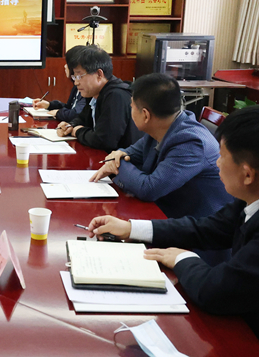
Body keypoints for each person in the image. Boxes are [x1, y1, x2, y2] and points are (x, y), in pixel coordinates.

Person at [87, 105, 259, 337]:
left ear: (247, 174)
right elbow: (208, 228)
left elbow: (216, 292)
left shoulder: (190, 140)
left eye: (222, 156)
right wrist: (130, 228)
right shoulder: (248, 200)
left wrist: (182, 258)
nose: (216, 162)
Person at [90, 73, 233, 219]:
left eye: (132, 106)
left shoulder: (191, 143)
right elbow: (129, 153)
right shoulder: (162, 126)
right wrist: (118, 157)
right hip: (168, 210)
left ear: (145, 115)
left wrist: (117, 165)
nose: (130, 109)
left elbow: (149, 189)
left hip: (196, 224)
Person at [56, 45, 142, 152]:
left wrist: (77, 131)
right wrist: (70, 125)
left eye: (79, 76)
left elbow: (104, 140)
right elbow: (82, 118)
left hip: (123, 159)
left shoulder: (116, 96)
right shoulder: (94, 94)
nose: (76, 82)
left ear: (99, 75)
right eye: (74, 77)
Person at [32, 45, 90, 122]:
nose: (65, 66)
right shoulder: (76, 86)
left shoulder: (86, 88)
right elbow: (69, 107)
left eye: (67, 64)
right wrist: (49, 105)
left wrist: (58, 113)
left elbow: (77, 114)